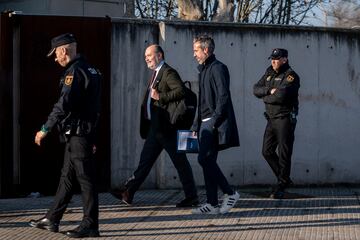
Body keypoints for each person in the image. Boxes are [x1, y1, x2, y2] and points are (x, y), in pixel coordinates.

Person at [29, 33, 101, 238]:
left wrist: (45, 129)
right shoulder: (91, 69)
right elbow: (94, 106)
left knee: (85, 179)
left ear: (64, 50)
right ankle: (52, 218)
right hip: (81, 133)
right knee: (67, 178)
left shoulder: (74, 72)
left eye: (55, 54)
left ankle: (90, 225)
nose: (54, 58)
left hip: (79, 133)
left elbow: (63, 104)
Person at [110, 44, 198, 207]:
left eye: (149, 55)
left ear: (159, 55)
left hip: (167, 129)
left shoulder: (168, 72)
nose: (146, 59)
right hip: (155, 129)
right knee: (145, 162)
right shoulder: (156, 73)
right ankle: (128, 193)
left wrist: (160, 96)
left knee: (180, 163)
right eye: (145, 56)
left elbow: (180, 91)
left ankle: (192, 196)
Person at [191, 35, 240, 214]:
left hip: (213, 123)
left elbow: (223, 97)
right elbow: (202, 101)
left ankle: (230, 192)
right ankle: (212, 204)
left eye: (196, 50)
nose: (194, 54)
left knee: (203, 159)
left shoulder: (218, 68)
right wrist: (197, 125)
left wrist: (213, 121)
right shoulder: (203, 69)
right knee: (207, 161)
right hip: (204, 123)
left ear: (206, 50)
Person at [253, 48, 300, 199]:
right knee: (266, 151)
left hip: (284, 118)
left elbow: (281, 96)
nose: (273, 61)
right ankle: (284, 178)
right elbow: (255, 89)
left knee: (284, 153)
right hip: (271, 119)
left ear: (284, 59)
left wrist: (266, 97)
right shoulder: (269, 72)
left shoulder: (291, 76)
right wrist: (269, 91)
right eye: (272, 59)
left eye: (277, 59)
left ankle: (282, 183)